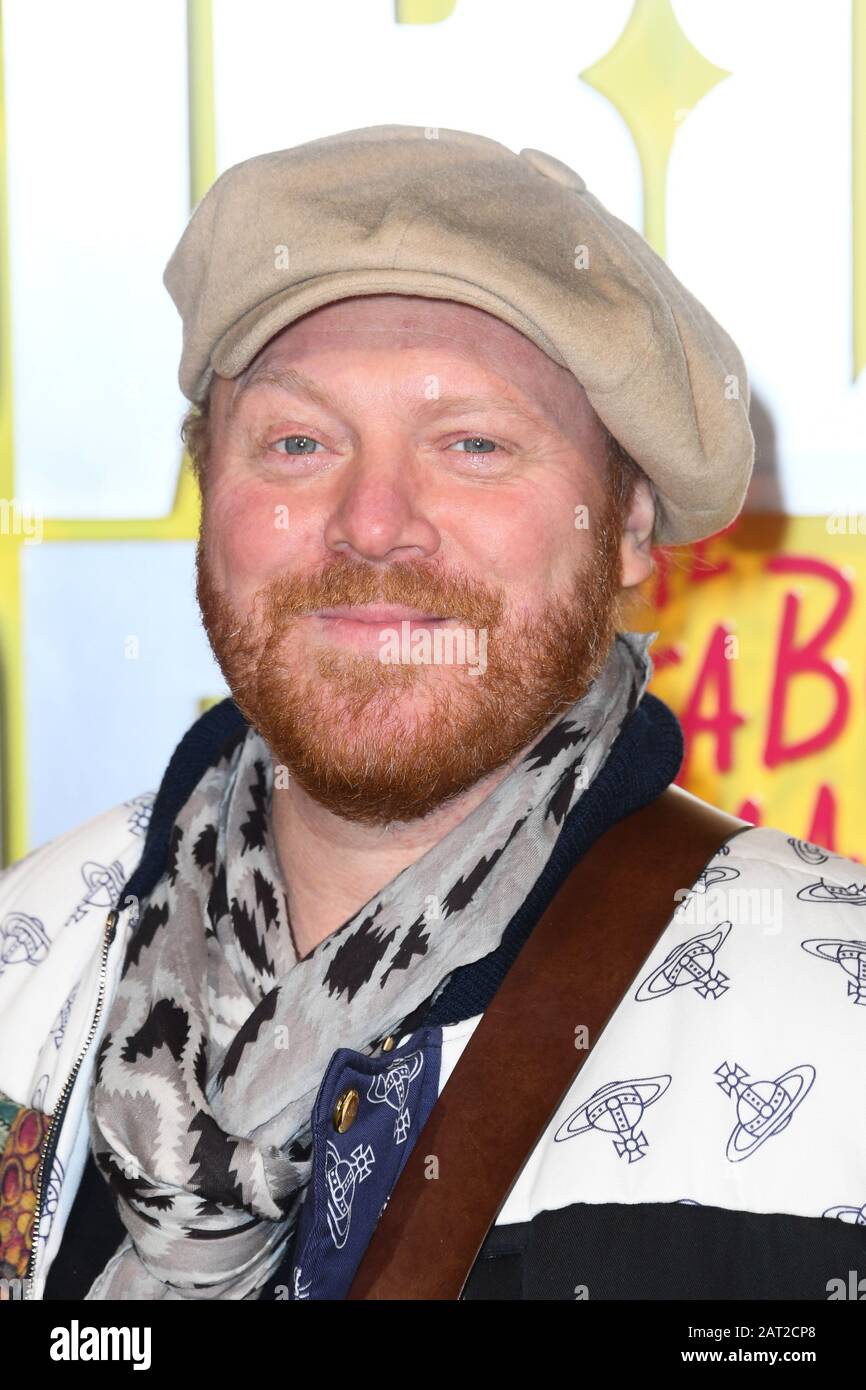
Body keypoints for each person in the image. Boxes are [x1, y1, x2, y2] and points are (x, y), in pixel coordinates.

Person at [1, 125, 863, 1302]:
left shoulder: (835, 1026)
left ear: (622, 528)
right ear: (212, 496)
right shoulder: (27, 965)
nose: (371, 523)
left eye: (471, 444)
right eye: (298, 442)